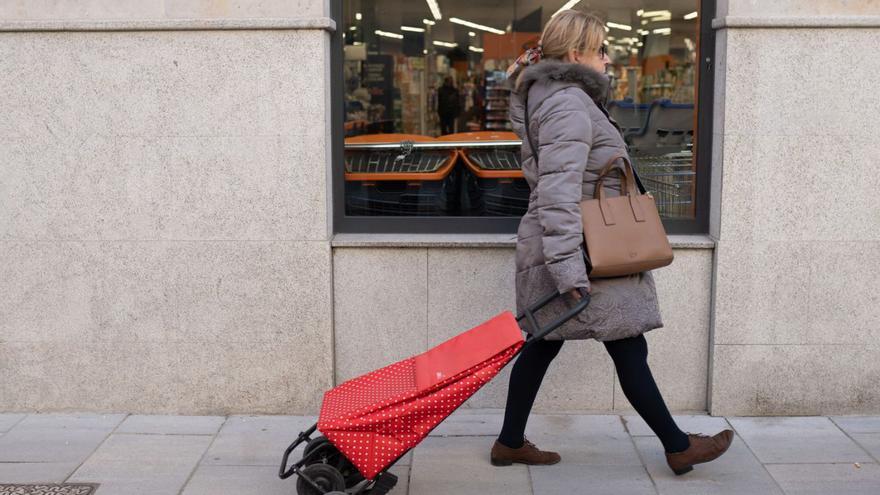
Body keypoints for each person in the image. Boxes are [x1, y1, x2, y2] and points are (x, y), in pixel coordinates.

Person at [490, 9, 734, 476]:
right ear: (577, 52)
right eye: (602, 49)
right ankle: (678, 446)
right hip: (585, 249)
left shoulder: (559, 97)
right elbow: (558, 192)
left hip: (579, 246)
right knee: (624, 344)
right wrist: (566, 270)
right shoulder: (566, 104)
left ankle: (510, 442)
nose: (608, 59)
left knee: (545, 343)